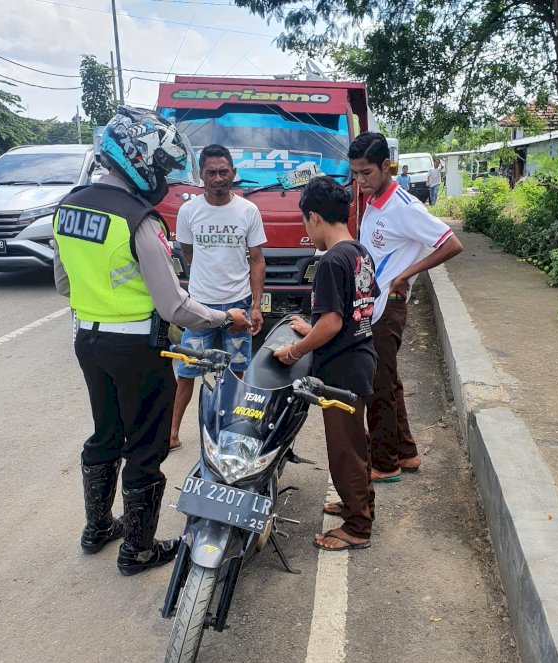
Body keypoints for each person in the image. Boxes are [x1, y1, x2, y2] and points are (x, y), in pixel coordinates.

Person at [53, 106, 250, 576]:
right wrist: (226, 316)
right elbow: (174, 307)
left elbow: (63, 285)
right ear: (138, 159)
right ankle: (137, 549)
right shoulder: (138, 219)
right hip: (138, 348)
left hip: (88, 341)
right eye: (160, 166)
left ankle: (97, 528)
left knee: (105, 432)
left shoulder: (69, 205)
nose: (161, 175)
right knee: (144, 445)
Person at [348, 132, 463, 482]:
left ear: (386, 166)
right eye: (355, 174)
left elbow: (451, 243)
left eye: (366, 173)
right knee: (389, 382)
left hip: (388, 308)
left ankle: (385, 464)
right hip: (374, 303)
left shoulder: (404, 207)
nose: (360, 181)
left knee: (378, 388)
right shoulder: (373, 201)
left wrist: (407, 275)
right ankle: (406, 453)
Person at [274, 176, 378, 551]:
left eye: (305, 221)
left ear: (314, 217)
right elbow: (354, 309)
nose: (307, 230)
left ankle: (358, 528)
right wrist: (311, 327)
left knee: (344, 450)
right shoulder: (358, 252)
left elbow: (333, 322)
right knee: (357, 442)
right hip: (361, 358)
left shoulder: (332, 260)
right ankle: (359, 505)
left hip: (342, 369)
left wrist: (294, 351)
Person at [169, 144, 266, 451]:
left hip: (237, 307)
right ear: (201, 175)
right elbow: (187, 252)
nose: (218, 178)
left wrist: (255, 305)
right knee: (186, 372)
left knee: (237, 373)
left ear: (233, 173)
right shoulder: (188, 211)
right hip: (198, 308)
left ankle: (234, 433)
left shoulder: (248, 211)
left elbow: (257, 259)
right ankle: (171, 435)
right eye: (211, 172)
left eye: (224, 171)